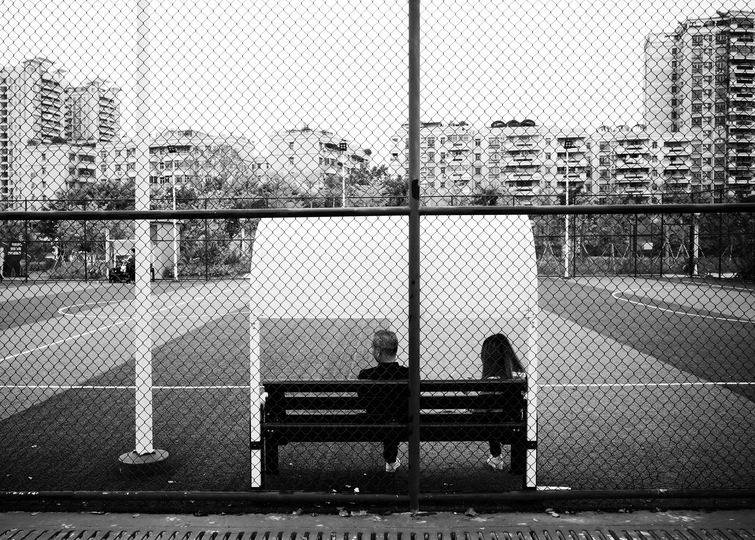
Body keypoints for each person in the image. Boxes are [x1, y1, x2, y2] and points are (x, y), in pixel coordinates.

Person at [358, 329, 408, 473]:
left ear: (379, 351)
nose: (372, 351)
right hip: (404, 422)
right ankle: (391, 460)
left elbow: (363, 402)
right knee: (393, 415)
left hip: (374, 423)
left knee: (385, 414)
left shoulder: (365, 375)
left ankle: (391, 460)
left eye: (373, 348)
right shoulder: (408, 374)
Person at [480, 333, 525, 471]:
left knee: (490, 415)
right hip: (516, 423)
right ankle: (517, 463)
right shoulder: (520, 375)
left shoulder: (490, 380)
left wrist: (470, 396)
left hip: (492, 424)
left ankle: (496, 456)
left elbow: (483, 408)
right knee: (498, 412)